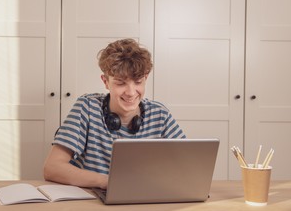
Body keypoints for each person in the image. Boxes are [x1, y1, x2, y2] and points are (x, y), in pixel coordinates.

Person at [43, 38, 185, 189]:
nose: (130, 93)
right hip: (93, 201)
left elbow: (189, 165)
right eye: (120, 83)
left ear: (146, 78)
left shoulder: (160, 114)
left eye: (138, 82)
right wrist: (109, 182)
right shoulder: (87, 107)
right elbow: (52, 168)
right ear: (105, 82)